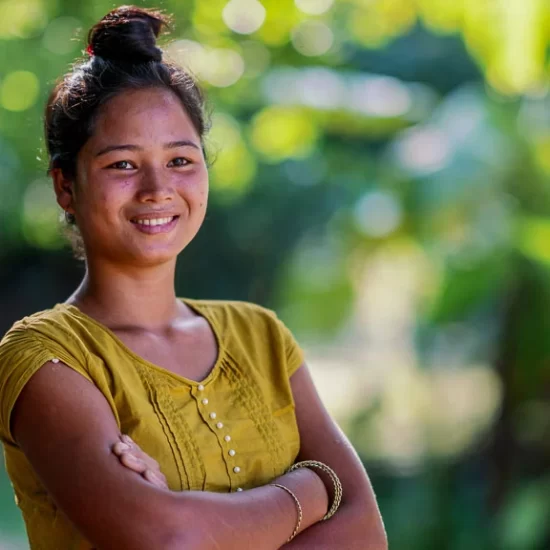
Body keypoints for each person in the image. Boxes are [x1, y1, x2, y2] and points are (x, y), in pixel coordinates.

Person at [0, 6, 387, 549]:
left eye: (181, 160)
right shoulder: (45, 359)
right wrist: (315, 487)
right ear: (66, 186)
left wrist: (194, 521)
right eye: (122, 165)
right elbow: (167, 540)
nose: (158, 188)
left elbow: (366, 534)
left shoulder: (262, 338)